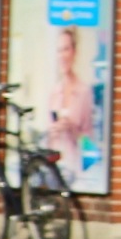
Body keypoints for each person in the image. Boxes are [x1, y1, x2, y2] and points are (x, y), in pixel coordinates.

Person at [43, 25, 95, 175]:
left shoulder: (84, 92)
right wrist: (52, 131)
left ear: (74, 52)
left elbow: (89, 144)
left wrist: (72, 128)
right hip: (54, 169)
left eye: (66, 49)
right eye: (59, 50)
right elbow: (47, 137)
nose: (62, 55)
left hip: (75, 169)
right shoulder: (54, 92)